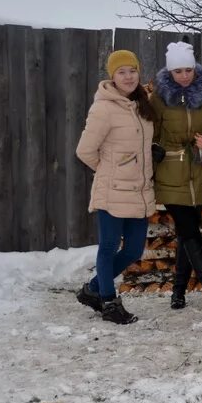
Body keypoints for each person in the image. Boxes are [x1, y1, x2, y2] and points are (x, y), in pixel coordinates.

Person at [74, 50, 156, 324]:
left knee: (134, 250)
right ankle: (109, 303)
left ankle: (93, 289)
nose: (128, 76)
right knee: (108, 246)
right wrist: (112, 171)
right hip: (112, 190)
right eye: (122, 72)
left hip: (139, 189)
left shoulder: (143, 104)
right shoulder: (103, 108)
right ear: (112, 76)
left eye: (132, 71)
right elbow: (85, 151)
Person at [150, 41, 202, 319]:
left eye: (188, 70)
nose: (183, 76)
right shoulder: (159, 98)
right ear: (170, 71)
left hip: (200, 171)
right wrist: (154, 151)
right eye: (178, 71)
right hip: (171, 172)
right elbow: (151, 133)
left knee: (186, 233)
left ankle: (178, 290)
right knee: (190, 232)